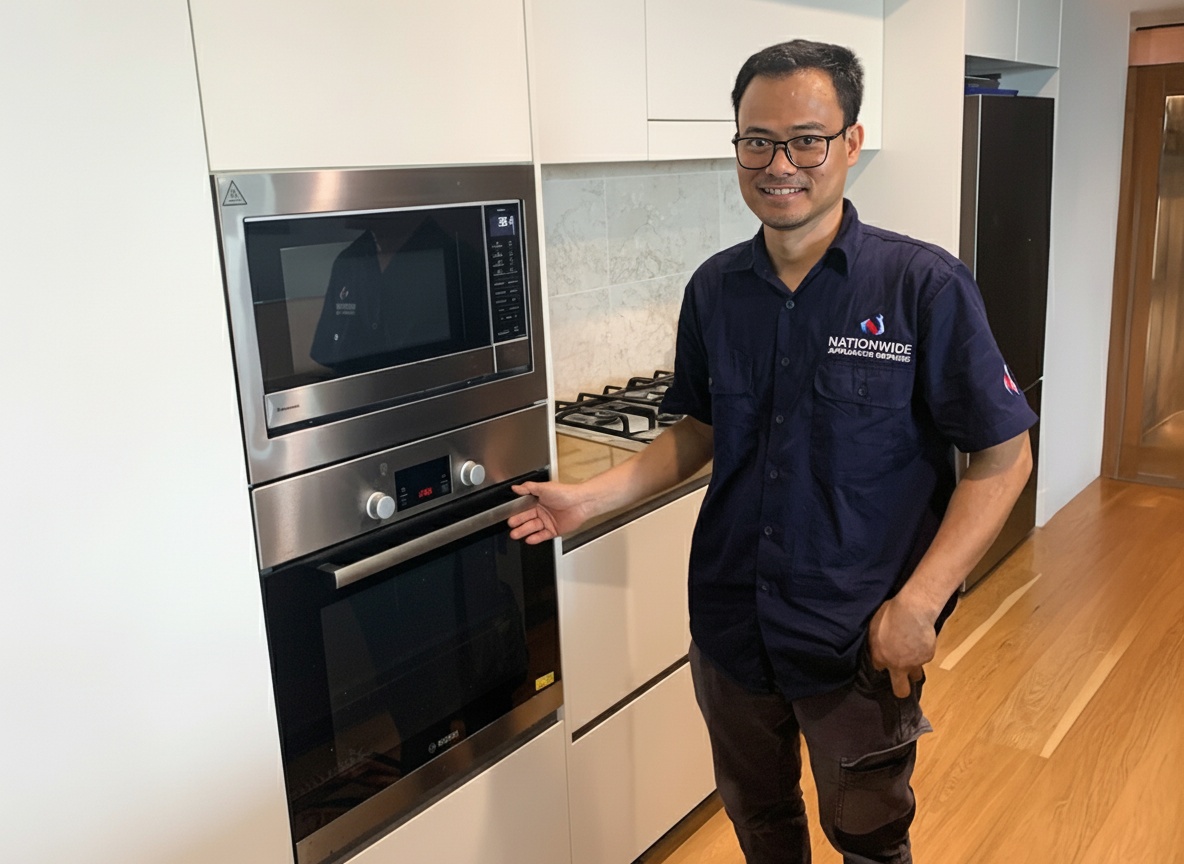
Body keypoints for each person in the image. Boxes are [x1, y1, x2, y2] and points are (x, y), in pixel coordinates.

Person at [509, 39, 1035, 864]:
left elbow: (1004, 458)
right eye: (757, 140)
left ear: (850, 145)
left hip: (857, 639)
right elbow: (703, 431)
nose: (779, 163)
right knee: (761, 825)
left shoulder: (921, 287)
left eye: (806, 139)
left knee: (868, 836)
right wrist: (592, 499)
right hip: (731, 628)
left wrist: (920, 604)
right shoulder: (714, 289)